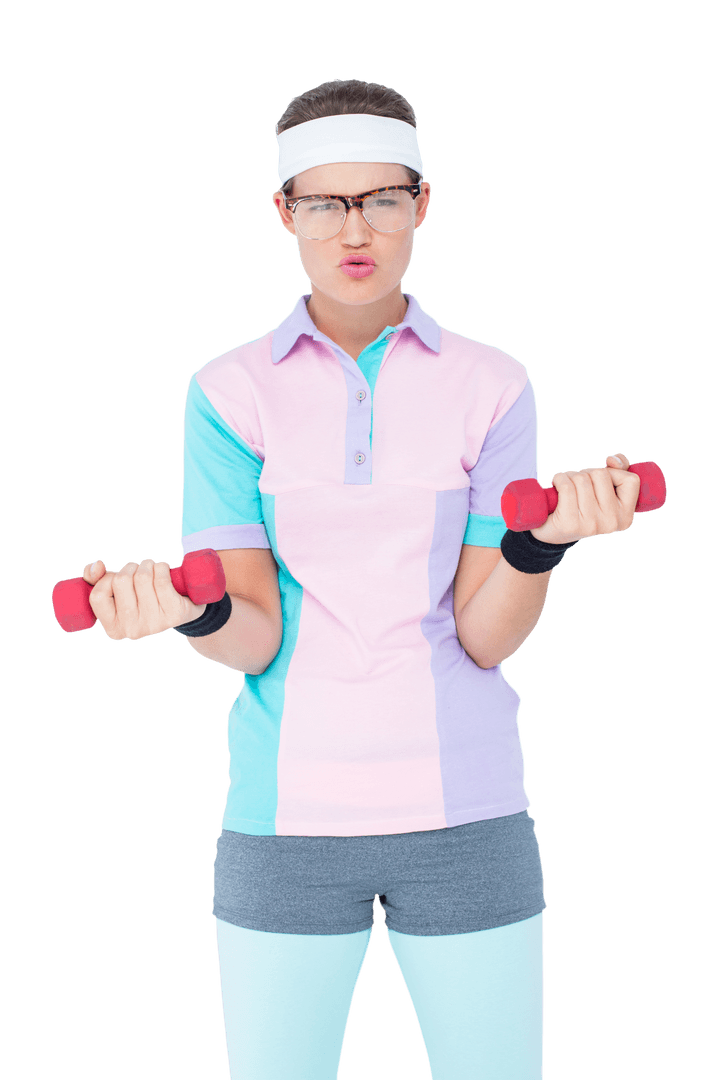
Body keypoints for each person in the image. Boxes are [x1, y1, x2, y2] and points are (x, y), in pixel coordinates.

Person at [81, 78, 641, 1080]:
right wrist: (190, 605)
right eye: (325, 201)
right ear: (284, 210)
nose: (356, 229)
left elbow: (484, 636)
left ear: (421, 204)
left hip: (470, 821)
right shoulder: (227, 393)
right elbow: (252, 635)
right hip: (283, 829)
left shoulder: (493, 384)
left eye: (381, 198)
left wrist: (538, 545)